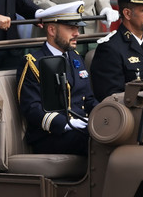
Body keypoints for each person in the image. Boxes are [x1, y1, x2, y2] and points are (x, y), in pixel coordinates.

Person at [17, 13, 96, 155]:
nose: (77, 33)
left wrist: (103, 115)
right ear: (52, 30)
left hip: (80, 128)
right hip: (51, 135)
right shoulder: (34, 62)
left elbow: (88, 99)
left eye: (77, 28)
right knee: (95, 140)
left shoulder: (75, 57)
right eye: (71, 28)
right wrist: (65, 123)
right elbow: (32, 108)